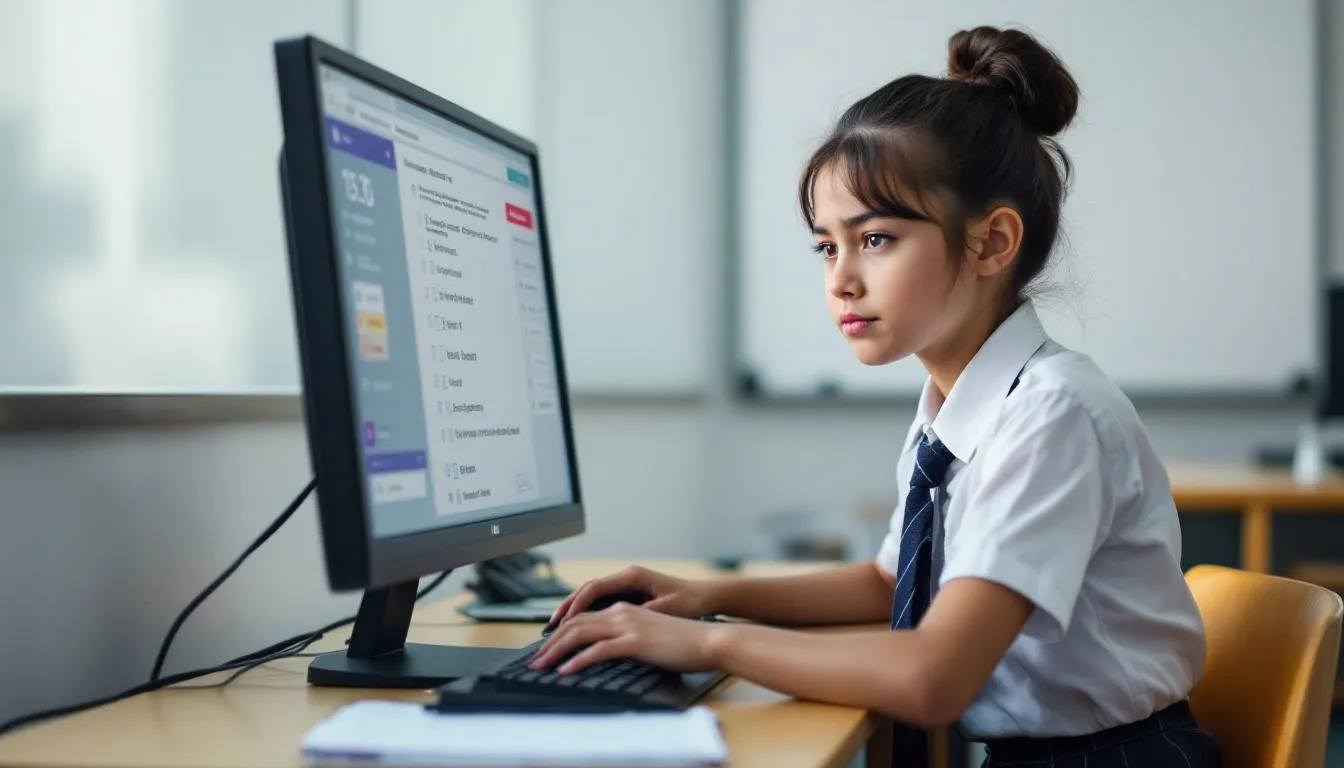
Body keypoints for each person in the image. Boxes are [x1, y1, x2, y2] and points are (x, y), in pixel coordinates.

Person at [530, 24, 1221, 768]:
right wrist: (704, 596)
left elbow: (932, 680)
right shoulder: (952, 410)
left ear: (992, 243)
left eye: (876, 239)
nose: (840, 279)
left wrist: (706, 642)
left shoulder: (1052, 416)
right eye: (827, 245)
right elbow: (889, 580)